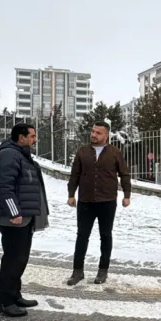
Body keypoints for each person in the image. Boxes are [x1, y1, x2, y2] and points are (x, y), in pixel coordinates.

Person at [0, 123, 50, 317]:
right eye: (31, 136)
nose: (35, 139)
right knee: (12, 260)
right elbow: (4, 187)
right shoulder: (8, 155)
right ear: (21, 138)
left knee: (20, 258)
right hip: (13, 219)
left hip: (24, 218)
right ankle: (4, 301)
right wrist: (14, 213)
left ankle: (14, 294)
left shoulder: (21, 155)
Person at [66, 121, 131, 285]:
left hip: (107, 201)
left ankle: (103, 271)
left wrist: (127, 195)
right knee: (82, 236)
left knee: (106, 236)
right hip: (85, 201)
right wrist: (71, 194)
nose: (94, 135)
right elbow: (75, 175)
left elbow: (124, 174)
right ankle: (77, 271)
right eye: (93, 131)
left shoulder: (115, 152)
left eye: (98, 133)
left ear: (106, 135)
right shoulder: (82, 151)